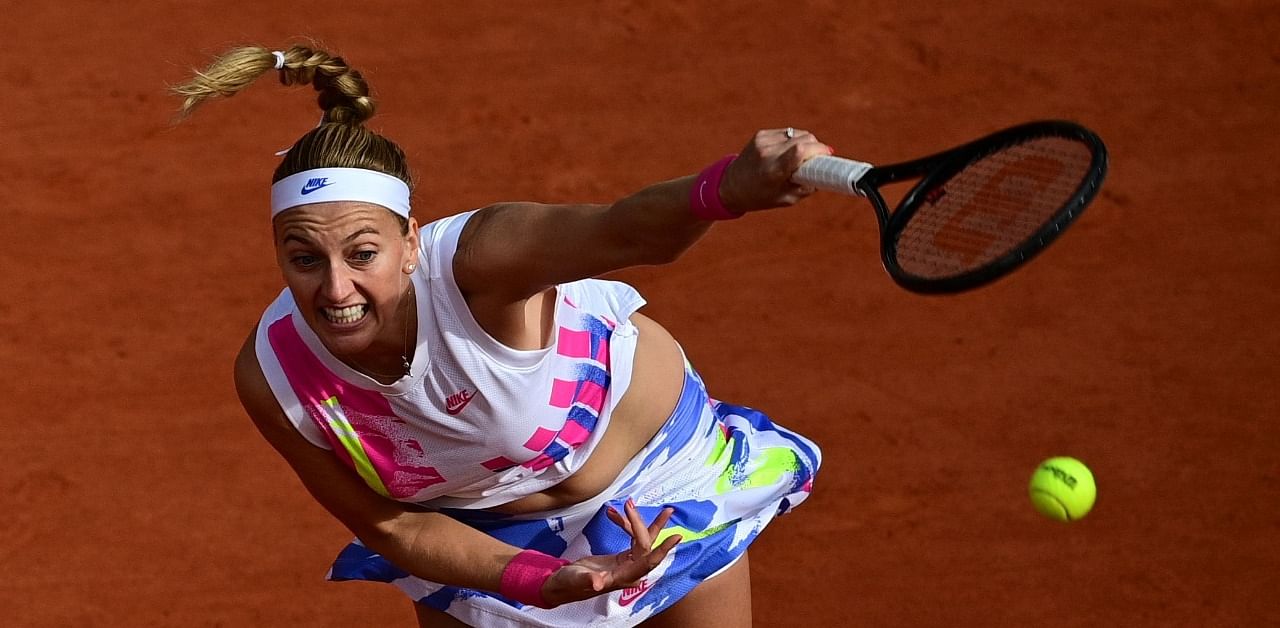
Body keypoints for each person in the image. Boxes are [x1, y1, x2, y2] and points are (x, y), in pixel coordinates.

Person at [173, 44, 827, 628]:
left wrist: (726, 189)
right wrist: (538, 579)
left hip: (656, 488)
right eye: (305, 259)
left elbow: (625, 230)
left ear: (410, 245)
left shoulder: (480, 262)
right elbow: (392, 526)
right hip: (484, 539)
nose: (336, 290)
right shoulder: (275, 377)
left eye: (362, 253)